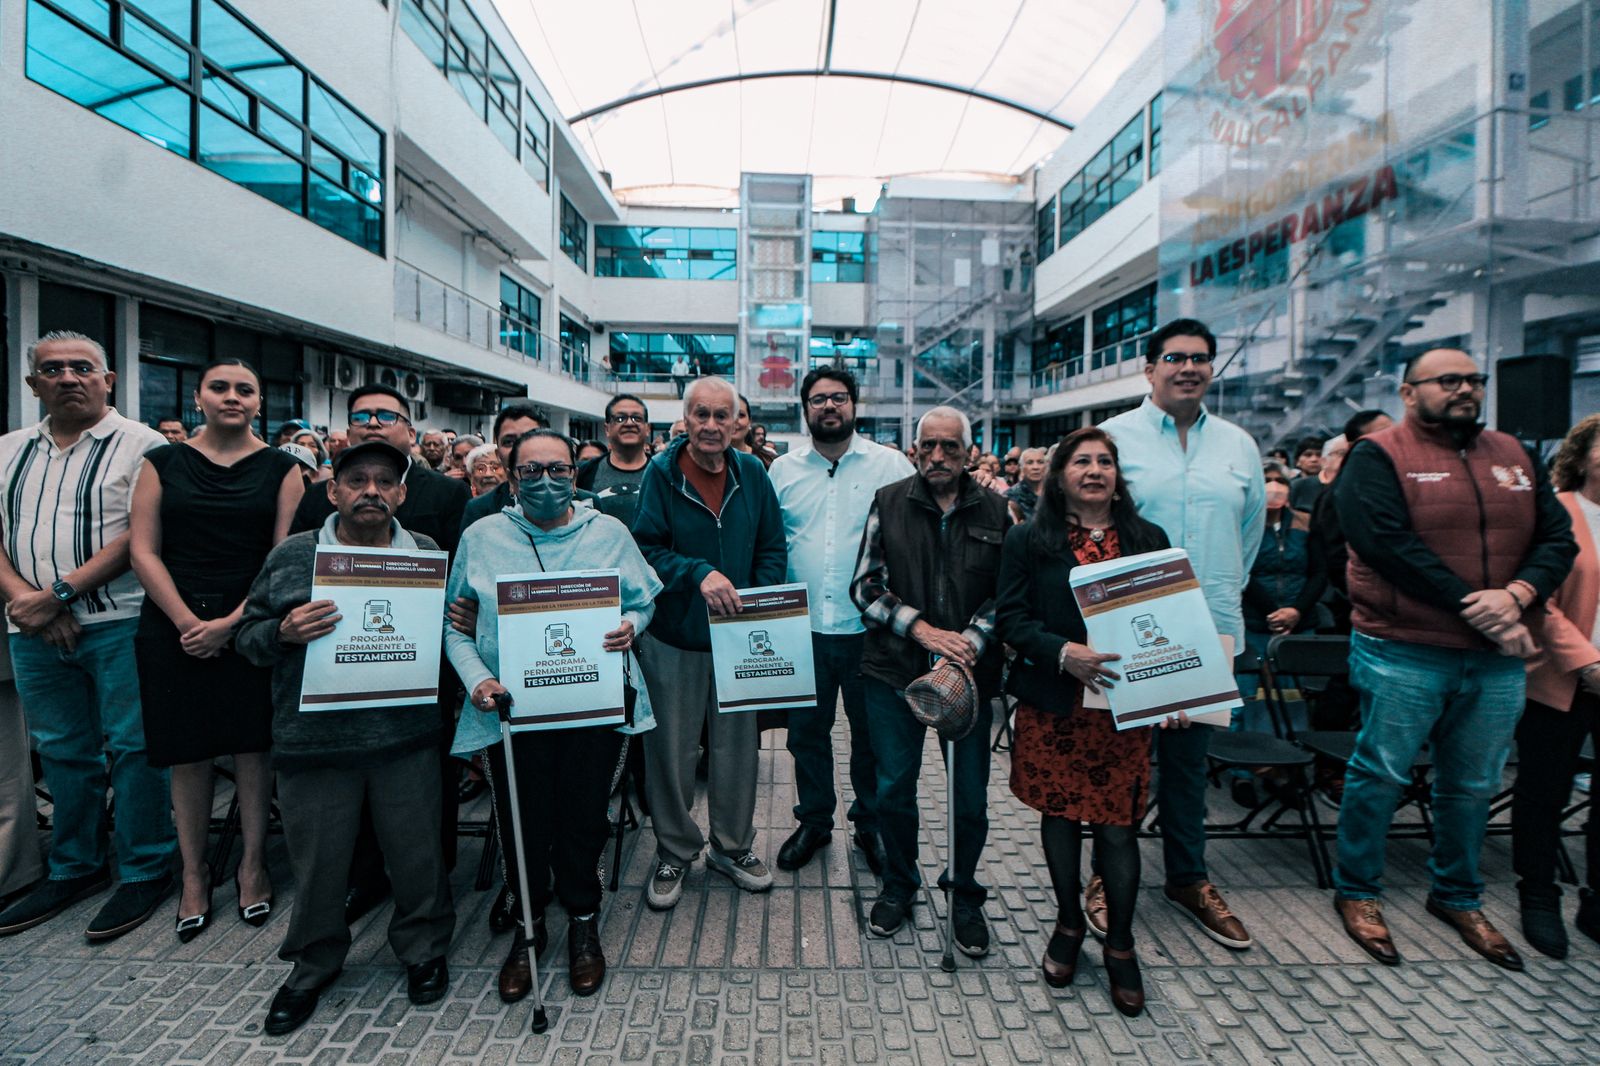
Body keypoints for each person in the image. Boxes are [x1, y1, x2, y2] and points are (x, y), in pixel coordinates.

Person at [1333, 348, 1576, 970]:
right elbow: (1385, 545)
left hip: (1494, 659)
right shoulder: (1379, 454)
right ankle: (1358, 890)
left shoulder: (1515, 454)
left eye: (1474, 380)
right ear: (1409, 392)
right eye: (1449, 380)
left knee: (1472, 785)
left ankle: (1457, 894)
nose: (1465, 389)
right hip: (1405, 648)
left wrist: (1517, 595)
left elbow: (1558, 538)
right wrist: (1479, 606)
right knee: (1380, 773)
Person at [236, 440, 454, 1035]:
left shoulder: (427, 554)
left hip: (404, 737)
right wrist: (281, 630)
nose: (372, 491)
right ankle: (313, 963)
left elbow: (446, 640)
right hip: (316, 743)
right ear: (331, 492)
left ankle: (423, 949)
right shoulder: (296, 555)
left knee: (417, 857)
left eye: (386, 481)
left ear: (403, 494)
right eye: (356, 480)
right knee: (319, 863)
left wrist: (463, 621)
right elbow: (248, 641)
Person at [445, 429, 662, 999]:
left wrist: (630, 627)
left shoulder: (609, 533)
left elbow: (645, 602)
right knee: (522, 822)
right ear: (512, 478)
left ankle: (583, 923)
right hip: (511, 712)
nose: (547, 482)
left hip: (594, 708)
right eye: (532, 471)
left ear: (575, 474)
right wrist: (478, 679)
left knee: (584, 819)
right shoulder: (482, 536)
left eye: (560, 470)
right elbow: (454, 625)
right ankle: (529, 928)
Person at [996, 427, 1177, 1016]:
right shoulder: (1029, 539)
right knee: (1060, 816)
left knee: (1119, 827)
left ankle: (1120, 943)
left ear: (1117, 475)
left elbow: (1171, 623)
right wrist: (1062, 651)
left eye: (1105, 461)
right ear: (1059, 476)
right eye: (1081, 461)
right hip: (1057, 703)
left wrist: (1178, 690)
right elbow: (1011, 619)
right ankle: (1070, 923)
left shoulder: (1149, 538)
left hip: (1124, 708)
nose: (1094, 470)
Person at [0, 332, 175, 942]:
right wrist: (31, 603)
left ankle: (146, 867)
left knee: (132, 748)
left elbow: (140, 536)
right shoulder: (7, 449)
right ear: (32, 385)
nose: (68, 377)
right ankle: (74, 866)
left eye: (82, 367)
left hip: (120, 620)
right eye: (52, 370)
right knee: (61, 750)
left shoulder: (143, 445)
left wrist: (61, 594)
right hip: (32, 628)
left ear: (109, 380)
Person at [1097, 318, 1264, 950]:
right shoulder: (1113, 438)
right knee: (1120, 764)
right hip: (1131, 629)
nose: (1188, 367)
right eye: (1174, 357)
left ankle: (1188, 879)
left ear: (1212, 368)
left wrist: (1216, 603)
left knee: (1189, 769)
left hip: (1210, 629)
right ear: (1149, 369)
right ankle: (1103, 877)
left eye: (1201, 357)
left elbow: (1245, 539)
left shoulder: (1238, 446)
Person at [129, 360, 303, 942]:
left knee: (255, 749)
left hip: (250, 619)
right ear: (199, 396)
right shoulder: (159, 463)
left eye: (245, 389)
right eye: (220, 387)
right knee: (189, 752)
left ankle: (252, 865)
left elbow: (282, 558)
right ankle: (195, 874)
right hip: (172, 621)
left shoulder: (284, 469)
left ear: (260, 402)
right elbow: (144, 551)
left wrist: (230, 623)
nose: (232, 397)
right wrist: (186, 621)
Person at [289, 384, 469, 921]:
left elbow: (455, 576)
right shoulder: (316, 500)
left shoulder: (446, 494)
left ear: (408, 431)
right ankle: (363, 880)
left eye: (385, 415)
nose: (372, 422)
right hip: (338, 671)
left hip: (417, 677)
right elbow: (296, 578)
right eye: (361, 414)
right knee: (349, 796)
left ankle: (431, 886)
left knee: (422, 790)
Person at [850, 405, 1009, 956]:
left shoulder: (996, 508)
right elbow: (865, 587)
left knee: (969, 798)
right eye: (929, 447)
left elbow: (1008, 594)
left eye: (951, 447)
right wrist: (923, 631)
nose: (938, 457)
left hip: (968, 675)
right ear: (914, 449)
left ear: (969, 452)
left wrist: (968, 641)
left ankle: (964, 894)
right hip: (894, 671)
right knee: (894, 788)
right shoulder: (889, 501)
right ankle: (900, 884)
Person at [631, 377, 787, 908]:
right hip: (674, 637)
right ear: (686, 419)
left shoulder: (754, 473)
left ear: (738, 421)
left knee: (738, 749)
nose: (713, 426)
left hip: (738, 639)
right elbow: (645, 548)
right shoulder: (661, 473)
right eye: (702, 415)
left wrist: (758, 605)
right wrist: (698, 572)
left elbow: (771, 547)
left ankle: (732, 847)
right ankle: (675, 849)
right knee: (671, 752)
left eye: (724, 416)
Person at [768, 368, 913, 874]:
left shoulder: (891, 465)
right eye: (818, 400)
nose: (829, 407)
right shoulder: (782, 471)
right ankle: (814, 820)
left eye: (839, 398)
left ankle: (869, 824)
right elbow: (772, 546)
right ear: (804, 409)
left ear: (855, 405)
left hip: (869, 631)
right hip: (801, 629)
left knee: (869, 736)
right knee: (806, 733)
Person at [1515, 413, 1600, 958]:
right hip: (1565, 678)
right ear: (1582, 454)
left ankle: (1595, 900)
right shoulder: (1557, 513)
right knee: (1544, 791)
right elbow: (1537, 600)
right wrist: (1588, 663)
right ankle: (1538, 895)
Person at [460, 405, 542, 533]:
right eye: (509, 442)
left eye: (529, 438)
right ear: (498, 454)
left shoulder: (581, 504)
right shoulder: (479, 509)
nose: (519, 448)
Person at [576, 395, 651, 528]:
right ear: (607, 429)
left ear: (647, 429)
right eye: (620, 418)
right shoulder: (584, 473)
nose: (629, 423)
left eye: (637, 418)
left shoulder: (664, 472)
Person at [1290, 435, 1337, 512]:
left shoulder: (1334, 486)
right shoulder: (1290, 486)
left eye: (1319, 455)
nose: (1314, 459)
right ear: (1297, 461)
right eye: (1308, 455)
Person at [1006, 447, 1047, 523]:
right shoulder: (1011, 495)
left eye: (1040, 462)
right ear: (1021, 467)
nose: (1036, 467)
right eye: (1030, 462)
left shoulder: (1055, 493)